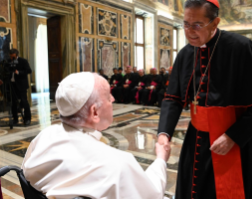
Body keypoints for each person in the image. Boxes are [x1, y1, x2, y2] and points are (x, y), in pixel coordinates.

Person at [157, 0, 252, 199]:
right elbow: (173, 98)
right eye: (185, 24)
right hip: (195, 139)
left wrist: (233, 136)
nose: (189, 32)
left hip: (231, 140)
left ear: (215, 23)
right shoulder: (186, 53)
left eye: (197, 25)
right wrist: (164, 133)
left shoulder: (241, 48)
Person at [22, 72, 170, 199]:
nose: (112, 99)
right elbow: (153, 194)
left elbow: (28, 175)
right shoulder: (118, 164)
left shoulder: (45, 136)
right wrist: (161, 160)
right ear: (94, 112)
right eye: (107, 96)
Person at [0, 49, 32, 125]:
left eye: (13, 57)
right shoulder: (8, 61)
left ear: (16, 55)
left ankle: (27, 118)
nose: (12, 58)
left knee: (24, 102)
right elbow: (3, 70)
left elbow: (29, 71)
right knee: (13, 103)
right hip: (12, 85)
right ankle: (15, 119)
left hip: (21, 85)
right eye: (11, 57)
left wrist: (18, 72)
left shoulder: (23, 61)